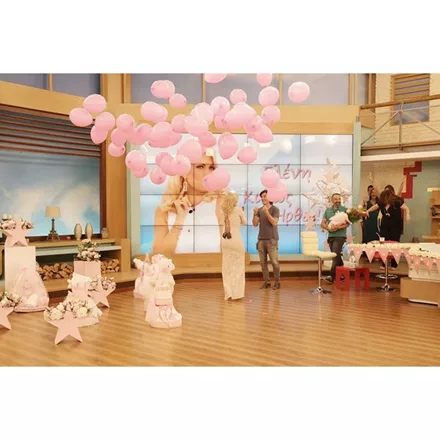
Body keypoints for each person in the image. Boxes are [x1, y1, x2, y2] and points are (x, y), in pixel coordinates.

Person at [152, 154, 224, 255]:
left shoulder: (221, 204)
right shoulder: (163, 211)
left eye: (211, 168)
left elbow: (232, 254)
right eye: (200, 167)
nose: (207, 173)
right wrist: (179, 220)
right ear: (183, 172)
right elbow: (158, 256)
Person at [366, 189, 411, 269]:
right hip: (385, 225)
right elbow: (375, 207)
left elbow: (406, 208)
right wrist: (368, 211)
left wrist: (408, 215)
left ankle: (394, 264)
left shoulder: (397, 201)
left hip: (396, 225)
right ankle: (384, 263)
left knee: (395, 244)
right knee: (383, 243)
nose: (384, 201)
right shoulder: (382, 203)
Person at [220, 192, 247, 300]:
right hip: (235, 240)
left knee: (227, 267)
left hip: (225, 241)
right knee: (239, 267)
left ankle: (228, 293)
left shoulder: (223, 211)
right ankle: (237, 293)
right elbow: (244, 222)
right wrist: (242, 213)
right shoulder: (238, 210)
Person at [252, 189, 280, 290]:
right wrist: (255, 213)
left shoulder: (275, 209)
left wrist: (267, 212)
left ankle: (277, 282)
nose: (263, 198)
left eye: (265, 196)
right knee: (263, 263)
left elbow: (274, 222)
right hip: (261, 240)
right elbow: (255, 224)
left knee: (274, 262)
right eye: (262, 197)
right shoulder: (260, 210)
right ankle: (267, 282)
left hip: (272, 240)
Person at [320, 193, 350, 283]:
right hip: (331, 236)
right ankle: (342, 275)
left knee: (335, 254)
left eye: (339, 199)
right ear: (332, 200)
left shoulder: (345, 210)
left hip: (340, 236)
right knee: (336, 256)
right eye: (336, 199)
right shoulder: (328, 210)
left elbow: (347, 224)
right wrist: (328, 228)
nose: (338, 201)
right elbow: (322, 223)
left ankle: (331, 276)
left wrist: (338, 227)